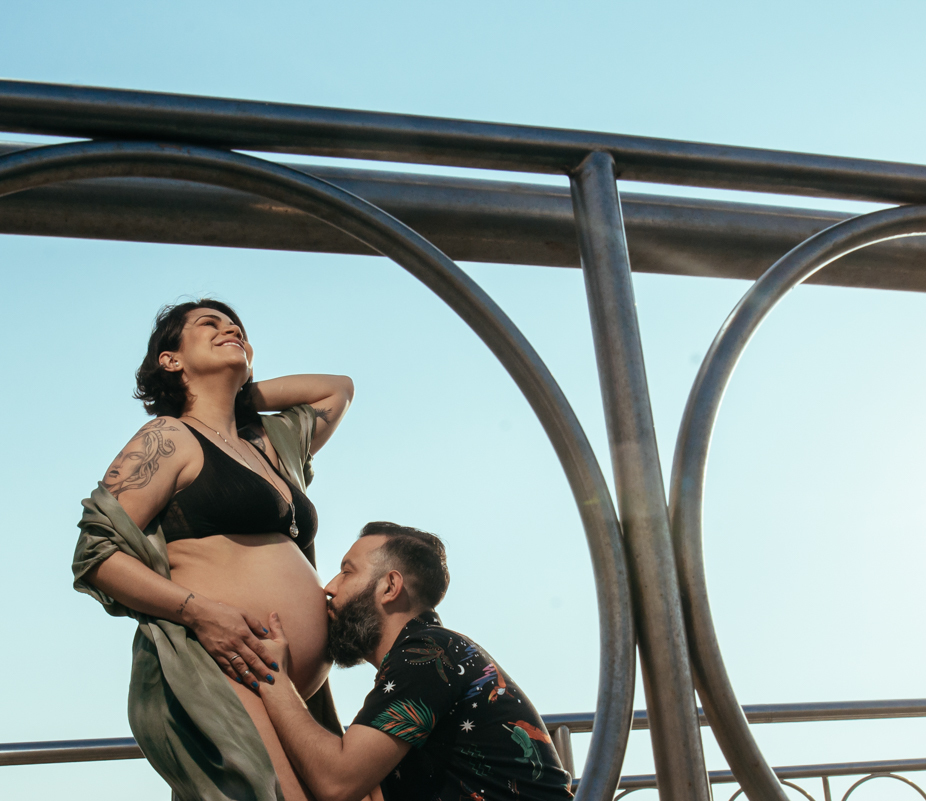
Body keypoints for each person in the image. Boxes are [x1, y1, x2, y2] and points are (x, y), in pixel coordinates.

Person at [72, 298, 354, 801]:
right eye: (210, 325)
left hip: (290, 688)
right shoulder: (168, 437)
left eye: (238, 327)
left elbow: (338, 389)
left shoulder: (269, 444)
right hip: (221, 667)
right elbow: (97, 555)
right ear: (170, 359)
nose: (231, 329)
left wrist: (239, 393)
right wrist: (202, 614)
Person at [248, 522, 574, 801]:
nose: (330, 588)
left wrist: (272, 677)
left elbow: (337, 782)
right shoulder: (430, 655)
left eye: (347, 572)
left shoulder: (428, 652)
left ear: (390, 586)